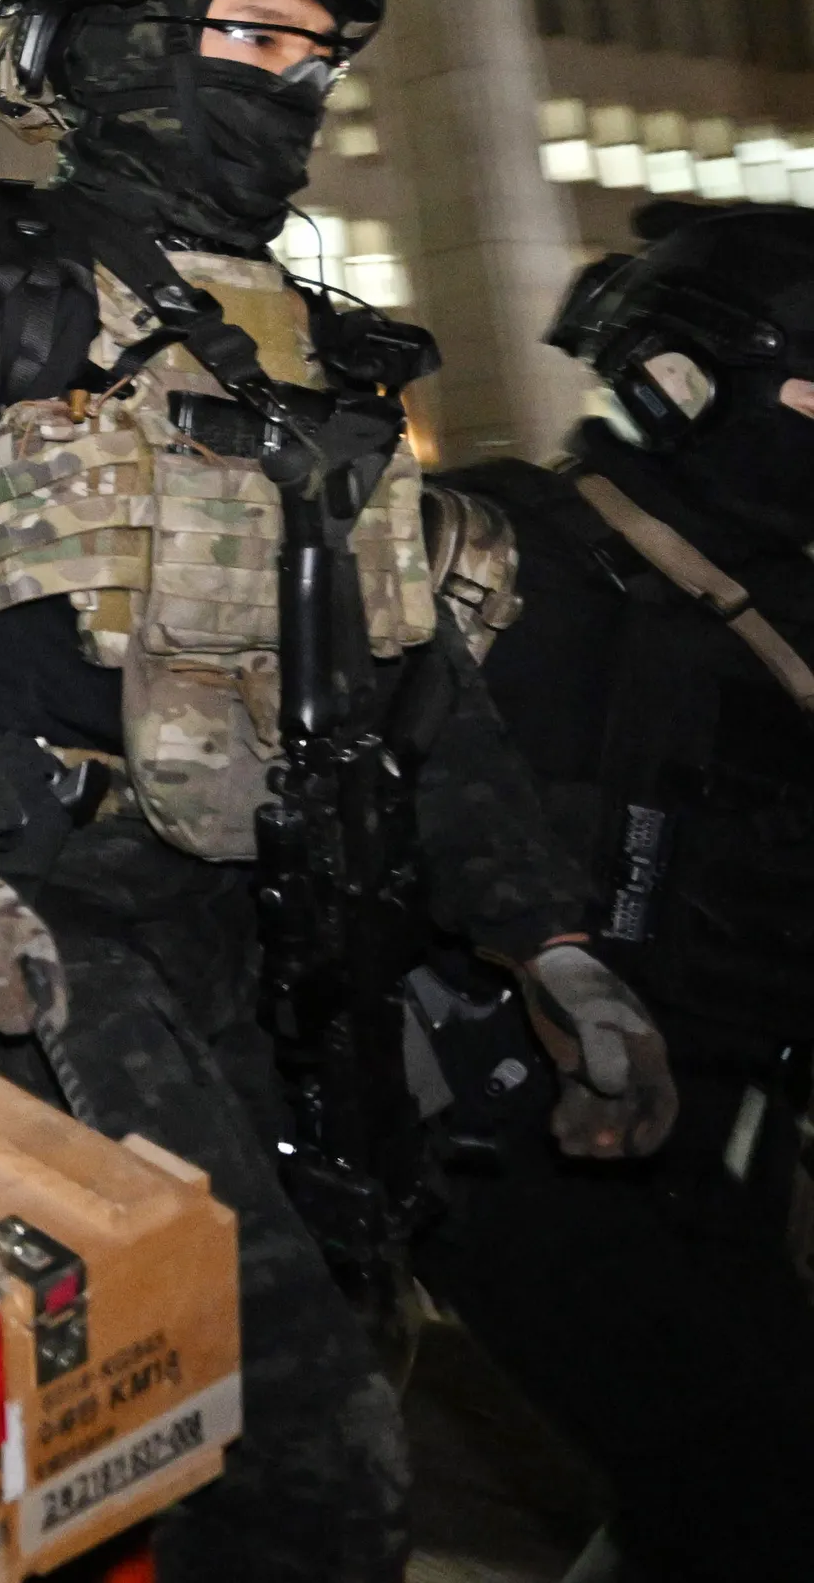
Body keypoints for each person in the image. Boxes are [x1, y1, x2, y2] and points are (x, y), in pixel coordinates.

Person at [0, 0, 668, 1583]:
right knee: (289, 1428)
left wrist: (549, 940)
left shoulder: (321, 347)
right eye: (247, 33)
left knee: (231, 1406)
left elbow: (412, 675)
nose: (290, 82)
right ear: (115, 45)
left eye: (315, 49)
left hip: (257, 927)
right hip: (40, 920)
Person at [419, 206, 808, 1582]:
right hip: (511, 1125)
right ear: (684, 384)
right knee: (745, 1479)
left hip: (720, 1110)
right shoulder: (490, 553)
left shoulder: (774, 585)